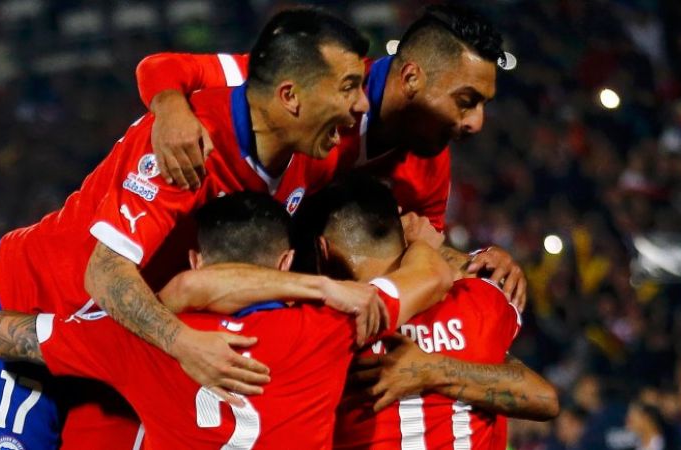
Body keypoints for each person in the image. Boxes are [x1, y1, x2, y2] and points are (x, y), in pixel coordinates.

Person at [0, 8, 387, 449]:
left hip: (122, 341)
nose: (363, 104)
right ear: (290, 96)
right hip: (31, 298)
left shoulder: (306, 150)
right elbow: (104, 273)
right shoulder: (186, 146)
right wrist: (184, 343)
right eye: (349, 88)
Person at [134, 3, 528, 307]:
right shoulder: (323, 90)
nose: (477, 123)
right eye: (466, 101)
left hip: (293, 308)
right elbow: (161, 67)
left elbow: (420, 250)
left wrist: (477, 262)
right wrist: (170, 111)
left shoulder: (430, 161)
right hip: (174, 276)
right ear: (411, 78)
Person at [0, 192, 404, 450]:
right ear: (287, 263)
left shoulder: (138, 337)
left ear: (195, 260)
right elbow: (430, 278)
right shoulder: (330, 328)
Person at [295, 175, 558, 449]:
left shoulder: (331, 323)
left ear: (322, 250)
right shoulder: (481, 299)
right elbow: (544, 400)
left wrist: (429, 369)